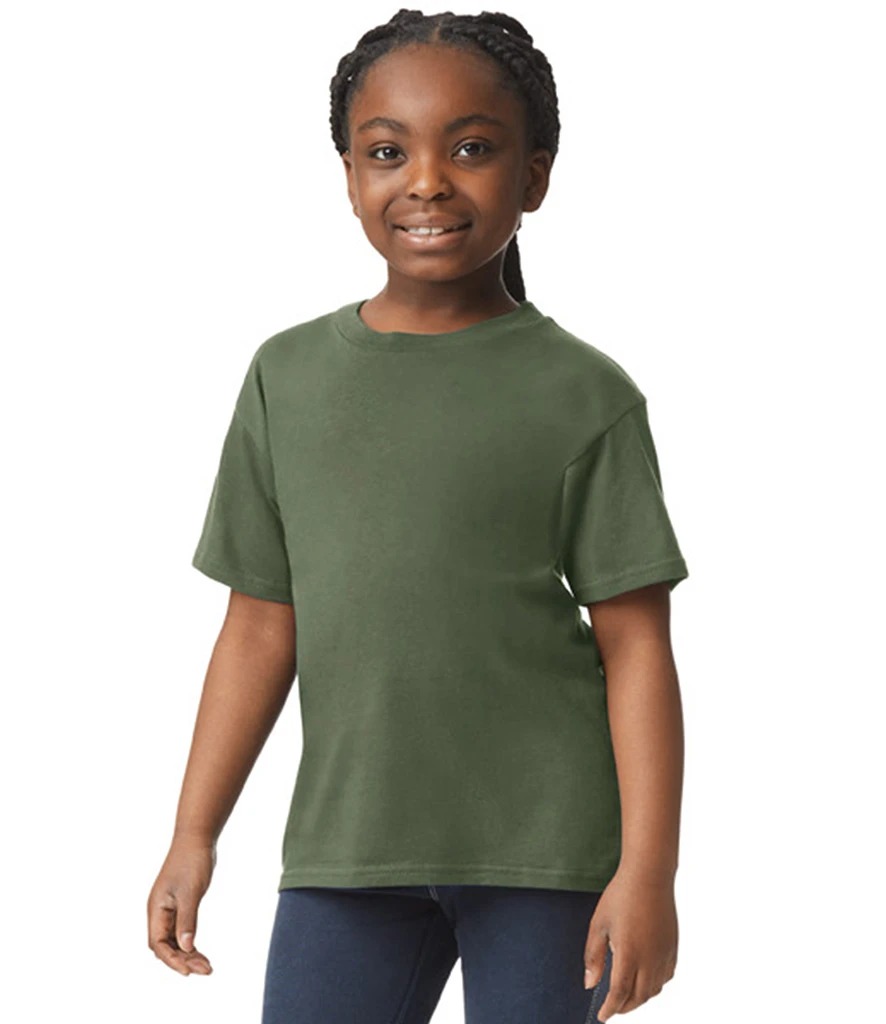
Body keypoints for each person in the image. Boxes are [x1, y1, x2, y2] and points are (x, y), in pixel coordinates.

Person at [147, 9, 690, 1024]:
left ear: (534, 176)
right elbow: (259, 625)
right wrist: (194, 833)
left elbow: (636, 646)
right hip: (348, 852)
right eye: (388, 151)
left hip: (545, 855)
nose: (428, 181)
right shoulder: (286, 378)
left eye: (472, 149)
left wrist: (648, 873)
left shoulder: (585, 393)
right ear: (350, 174)